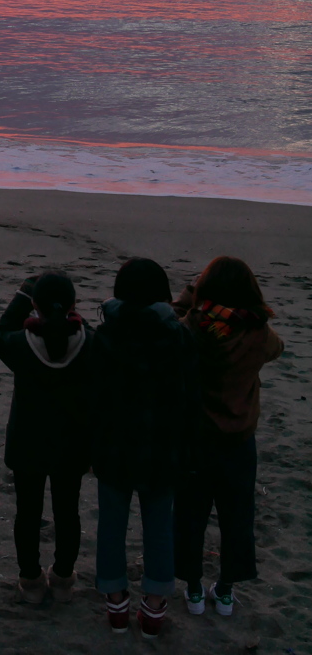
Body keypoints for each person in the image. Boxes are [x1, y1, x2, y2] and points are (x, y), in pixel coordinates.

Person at [92, 258, 198, 638]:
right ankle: (153, 608)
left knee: (111, 524)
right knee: (158, 527)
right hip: (162, 448)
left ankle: (116, 603)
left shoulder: (105, 336)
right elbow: (188, 398)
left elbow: (96, 397)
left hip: (114, 447)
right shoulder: (179, 337)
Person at [173, 257, 284, 617]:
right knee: (237, 517)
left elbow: (173, 318)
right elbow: (278, 348)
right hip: (239, 441)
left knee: (191, 515)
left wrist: (191, 295)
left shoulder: (191, 328)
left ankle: (192, 587)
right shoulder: (257, 334)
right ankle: (224, 590)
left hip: (196, 438)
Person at [0, 273, 93, 605]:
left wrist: (24, 294)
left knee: (28, 512)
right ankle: (63, 578)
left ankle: (31, 578)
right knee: (68, 511)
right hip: (72, 442)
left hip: (27, 441)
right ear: (73, 306)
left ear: (35, 305)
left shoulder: (21, 345)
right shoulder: (89, 342)